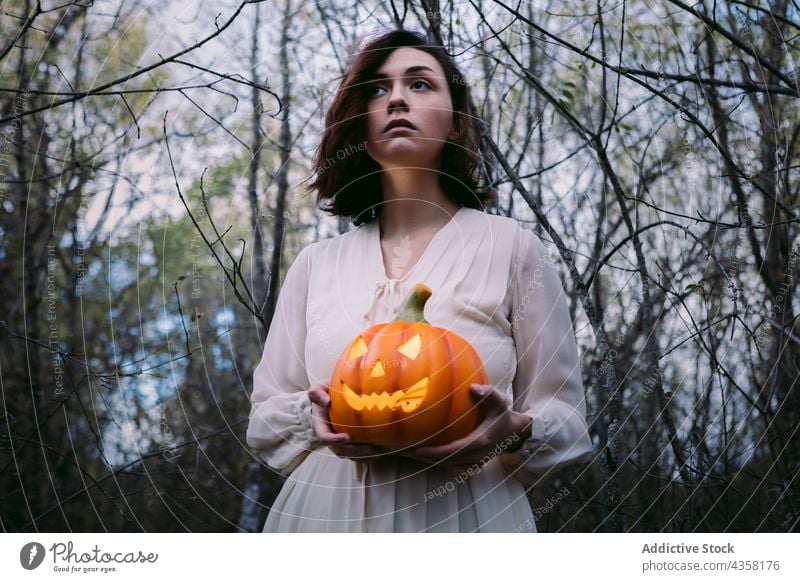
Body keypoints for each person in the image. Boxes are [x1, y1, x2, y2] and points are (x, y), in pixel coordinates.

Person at [246, 28, 593, 532]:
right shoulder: (316, 265)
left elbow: (567, 419)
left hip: (468, 520)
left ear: (455, 122)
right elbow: (263, 422)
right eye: (378, 89)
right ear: (361, 123)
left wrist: (511, 431)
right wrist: (315, 416)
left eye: (421, 84)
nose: (398, 99)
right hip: (324, 523)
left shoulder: (512, 249)